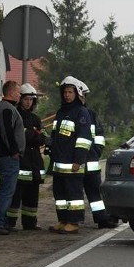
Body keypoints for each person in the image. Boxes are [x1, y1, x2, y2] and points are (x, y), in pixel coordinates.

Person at [48, 76, 94, 234]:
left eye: (70, 92)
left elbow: (84, 139)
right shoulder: (61, 112)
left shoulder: (81, 112)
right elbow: (55, 136)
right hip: (59, 163)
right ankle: (63, 219)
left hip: (72, 164)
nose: (67, 95)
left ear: (76, 94)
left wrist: (78, 160)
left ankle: (74, 222)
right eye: (65, 92)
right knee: (60, 195)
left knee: (73, 195)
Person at [78, 81, 119, 229]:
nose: (81, 99)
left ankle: (102, 219)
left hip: (90, 163)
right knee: (74, 196)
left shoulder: (91, 115)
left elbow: (99, 137)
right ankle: (73, 221)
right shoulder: (68, 114)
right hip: (75, 164)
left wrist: (95, 152)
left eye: (83, 96)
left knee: (95, 194)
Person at [7, 83, 47, 231]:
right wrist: (33, 134)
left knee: (32, 196)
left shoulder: (36, 118)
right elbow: (23, 137)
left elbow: (43, 137)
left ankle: (30, 223)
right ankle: (9, 223)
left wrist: (33, 135)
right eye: (26, 99)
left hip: (34, 162)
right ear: (20, 99)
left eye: (31, 99)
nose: (29, 102)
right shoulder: (15, 115)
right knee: (15, 196)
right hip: (21, 161)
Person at [0, 80, 25, 235]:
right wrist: (14, 151)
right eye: (18, 92)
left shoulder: (8, 108)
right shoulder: (6, 109)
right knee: (6, 190)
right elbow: (7, 132)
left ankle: (2, 222)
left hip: (8, 156)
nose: (20, 95)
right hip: (8, 157)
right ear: (11, 92)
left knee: (7, 190)